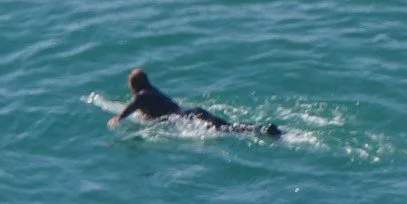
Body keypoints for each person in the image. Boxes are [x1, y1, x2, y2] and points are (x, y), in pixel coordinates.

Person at [107, 68, 281, 140]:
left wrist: (119, 118)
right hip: (191, 111)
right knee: (227, 127)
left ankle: (262, 131)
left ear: (134, 86)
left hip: (185, 118)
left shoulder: (142, 95)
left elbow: (133, 106)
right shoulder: (153, 91)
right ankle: (260, 129)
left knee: (224, 130)